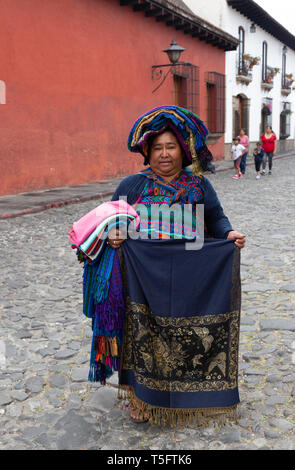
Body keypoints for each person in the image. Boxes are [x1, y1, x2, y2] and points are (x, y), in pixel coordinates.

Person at [78, 106, 246, 427]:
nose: (164, 154)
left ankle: (184, 397)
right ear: (147, 153)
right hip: (140, 278)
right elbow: (108, 220)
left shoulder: (199, 188)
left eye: (171, 147)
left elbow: (217, 218)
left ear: (183, 151)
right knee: (141, 333)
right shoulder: (132, 187)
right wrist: (113, 233)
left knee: (184, 335)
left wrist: (228, 234)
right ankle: (141, 398)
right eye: (157, 148)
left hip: (189, 275)